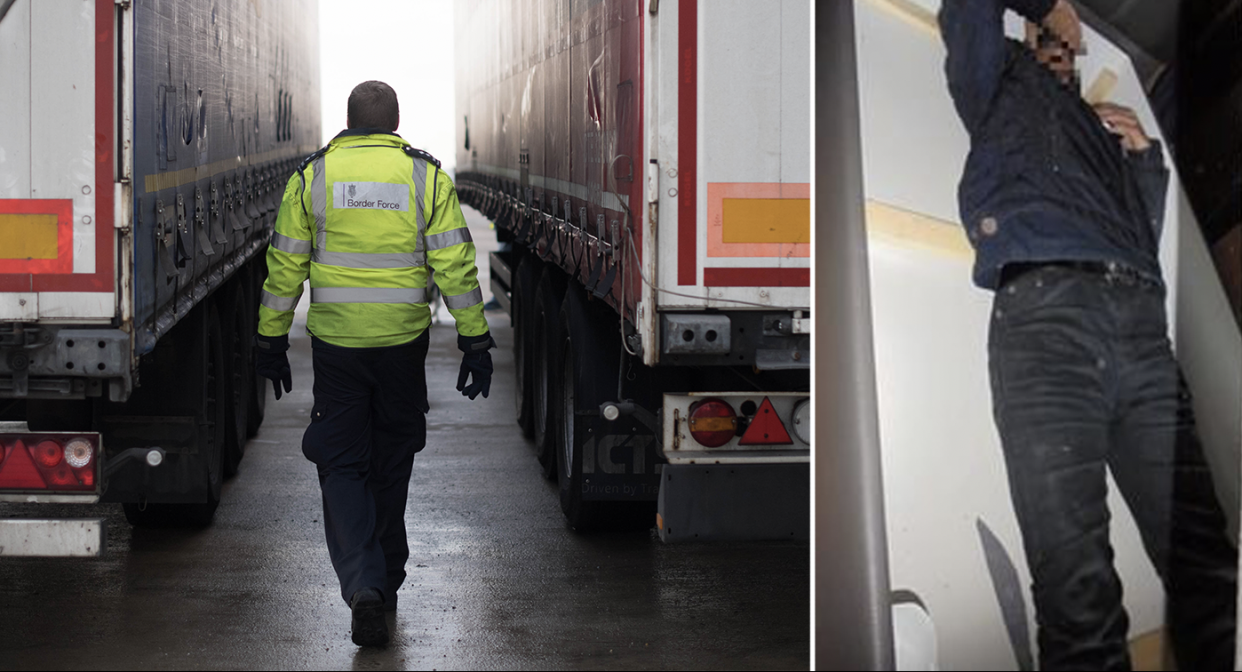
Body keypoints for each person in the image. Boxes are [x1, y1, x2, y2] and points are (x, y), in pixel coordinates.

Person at [939, 0, 1239, 668]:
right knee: (1079, 600)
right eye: (1053, 42)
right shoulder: (993, 87)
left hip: (1139, 322)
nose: (1066, 50)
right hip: (1048, 321)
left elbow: (1139, 236)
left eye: (1067, 48)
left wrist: (1142, 157)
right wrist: (1051, 8)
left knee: (1210, 571)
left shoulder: (1094, 130)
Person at [253, 80, 495, 647]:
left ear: (348, 121)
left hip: (337, 348)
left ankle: (363, 582)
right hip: (402, 345)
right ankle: (385, 579)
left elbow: (284, 268)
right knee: (392, 456)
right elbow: (456, 266)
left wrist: (270, 339)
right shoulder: (425, 176)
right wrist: (475, 340)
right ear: (395, 122)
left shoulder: (313, 177)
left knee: (341, 463)